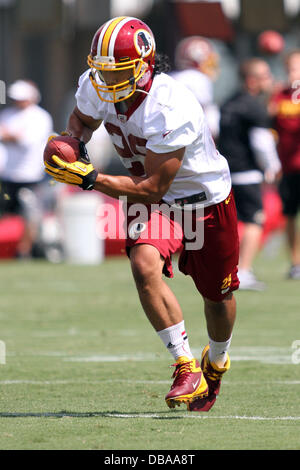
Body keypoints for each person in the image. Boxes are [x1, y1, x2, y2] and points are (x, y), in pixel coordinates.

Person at [44, 16, 240, 412]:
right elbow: (82, 120)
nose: (105, 82)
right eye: (101, 72)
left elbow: (154, 187)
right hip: (157, 205)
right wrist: (72, 143)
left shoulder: (172, 105)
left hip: (202, 202)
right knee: (143, 263)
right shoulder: (98, 82)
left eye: (116, 72)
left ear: (144, 65)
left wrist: (88, 178)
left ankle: (216, 362)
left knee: (217, 297)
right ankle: (184, 364)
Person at [218, 58, 281, 291]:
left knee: (229, 223)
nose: (270, 80)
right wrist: (273, 166)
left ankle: (225, 271)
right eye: (265, 76)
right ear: (252, 81)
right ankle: (242, 271)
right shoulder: (254, 106)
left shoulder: (228, 102)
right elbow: (262, 142)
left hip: (224, 172)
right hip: (247, 172)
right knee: (255, 220)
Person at [0, 79, 53, 258]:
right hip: (7, 175)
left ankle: (24, 252)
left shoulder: (40, 117)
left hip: (31, 176)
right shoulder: (7, 114)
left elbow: (25, 140)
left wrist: (8, 135)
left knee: (31, 216)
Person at [269, 50, 300, 279]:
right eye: (291, 68)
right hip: (288, 166)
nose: (294, 73)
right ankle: (295, 262)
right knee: (289, 214)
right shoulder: (279, 96)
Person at [170, 36, 220, 139]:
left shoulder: (172, 77)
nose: (211, 65)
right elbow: (209, 123)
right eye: (208, 61)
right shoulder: (197, 79)